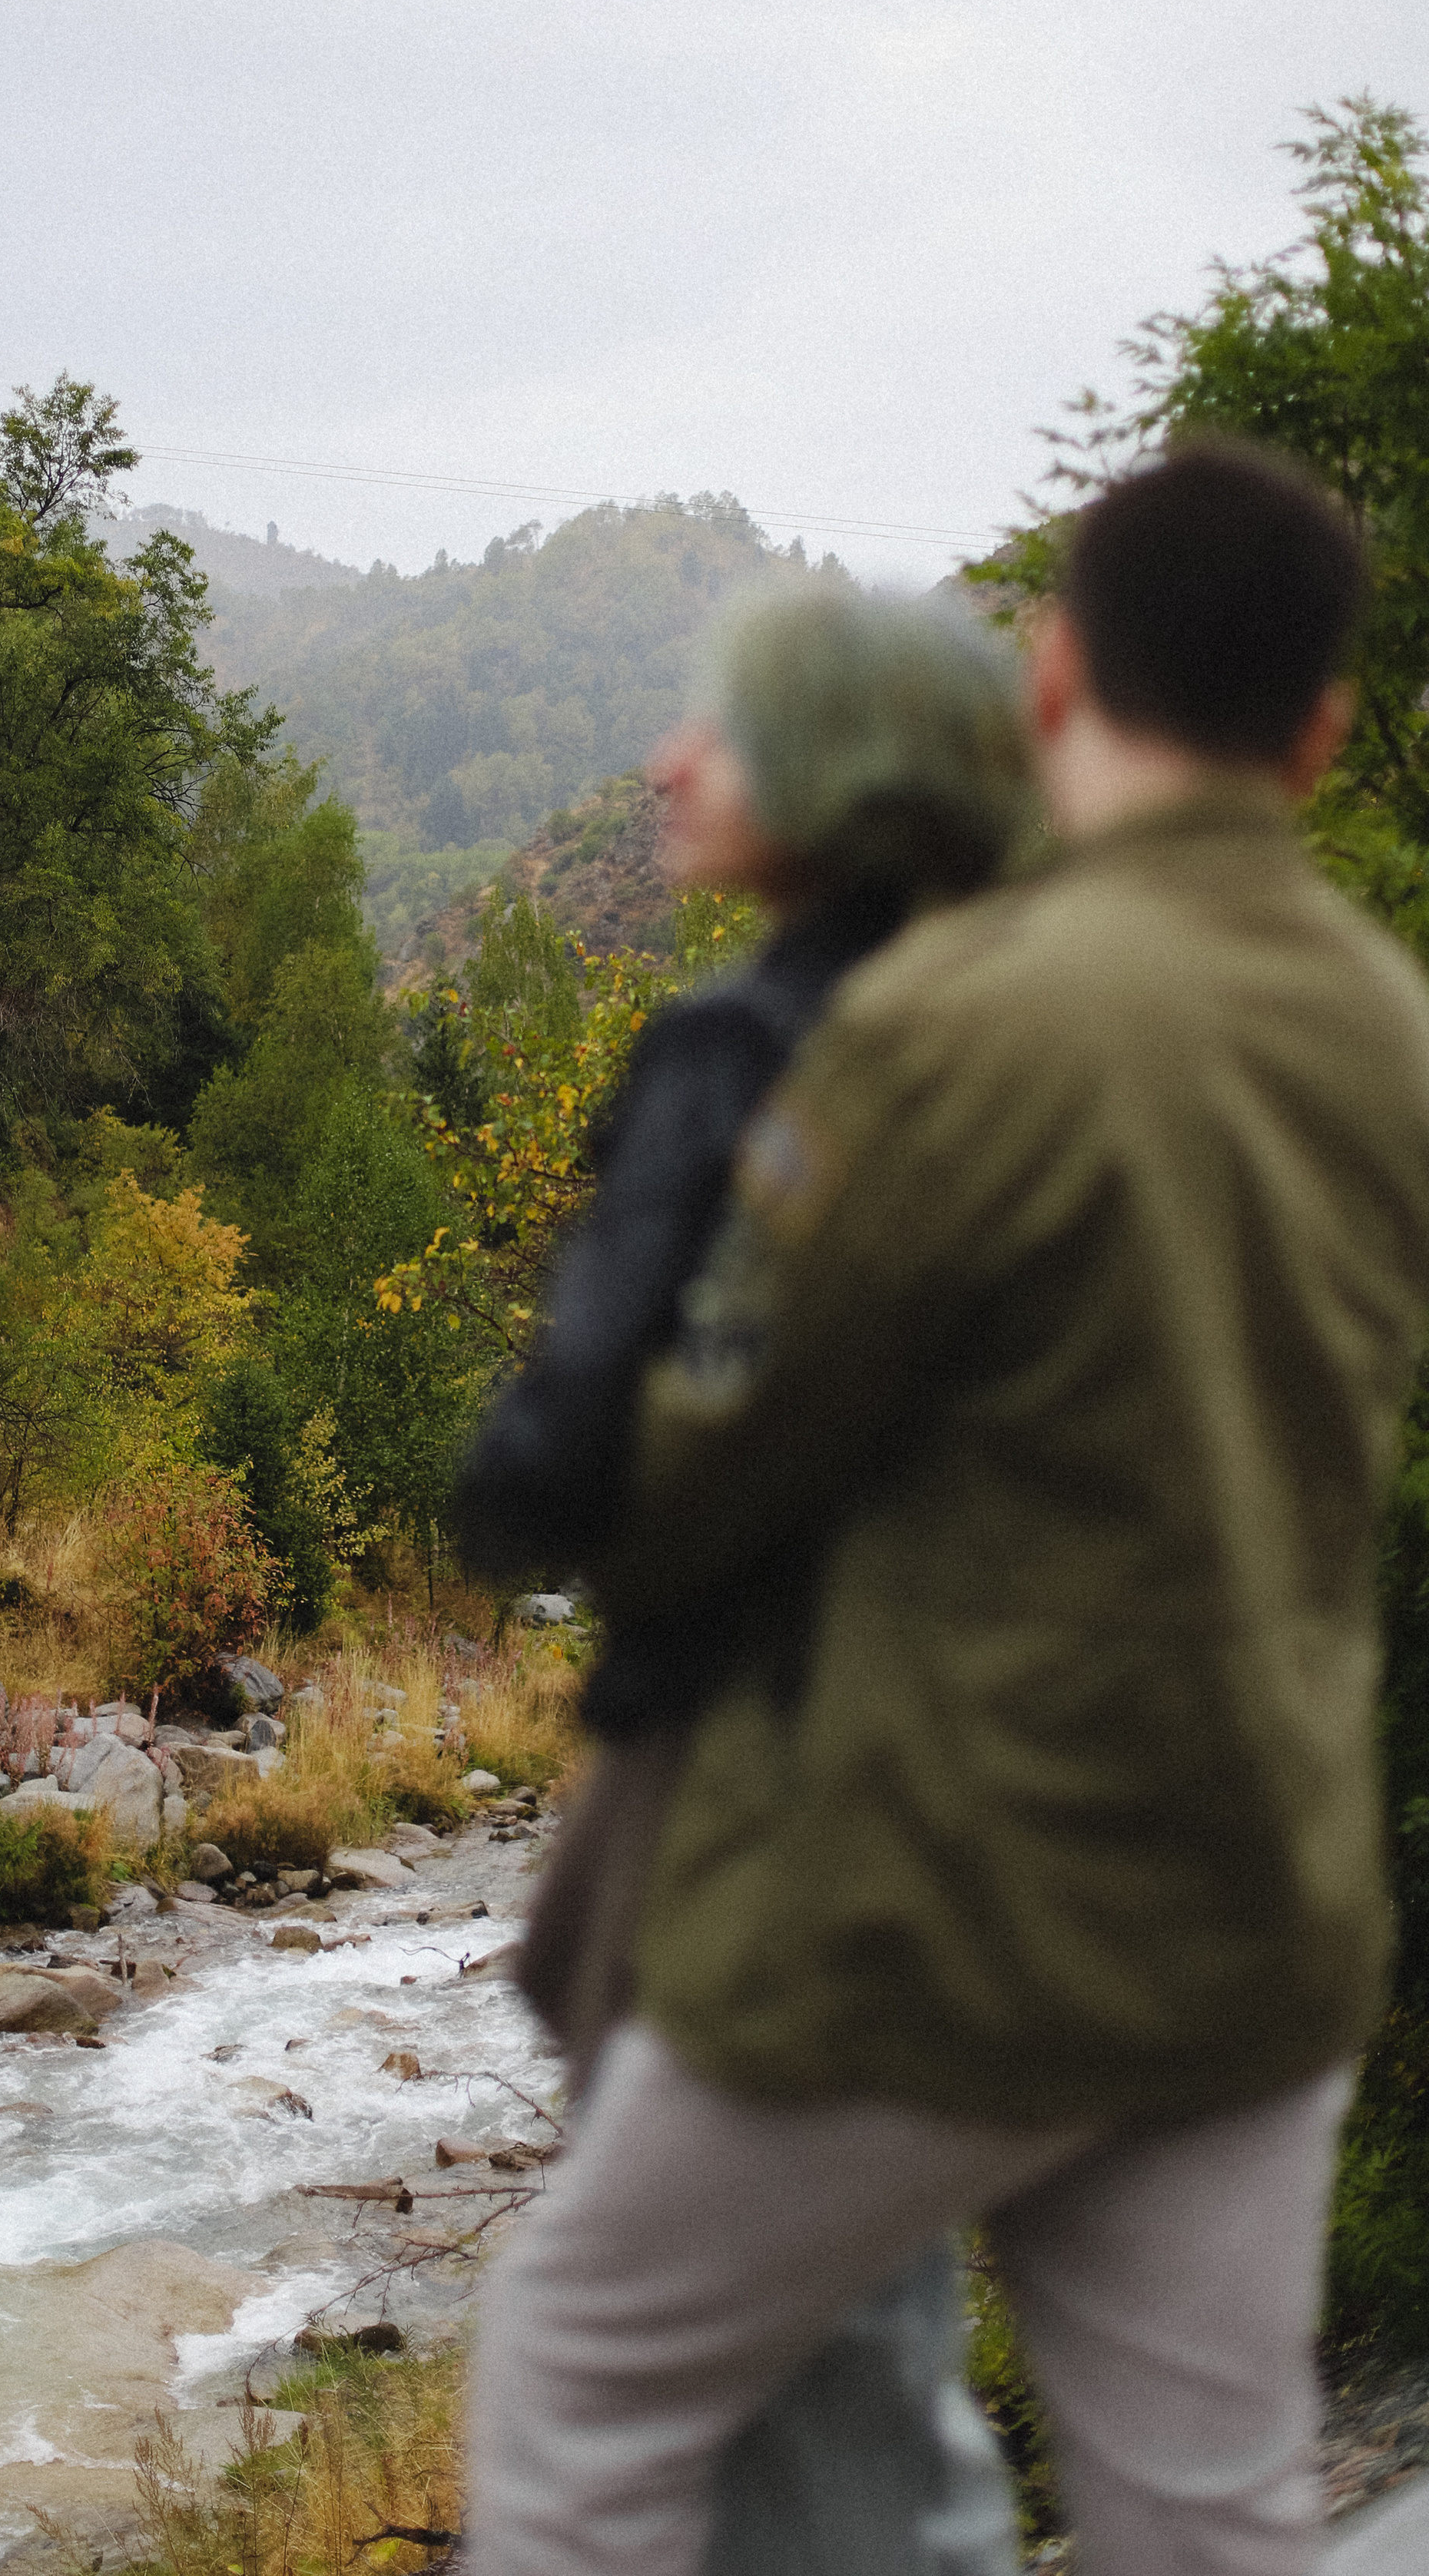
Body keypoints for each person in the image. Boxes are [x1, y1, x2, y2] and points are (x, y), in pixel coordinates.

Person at [466, 438, 1429, 2576]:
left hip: (939, 1913)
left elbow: (710, 1460)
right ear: (1323, 725)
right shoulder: (1393, 1029)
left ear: (1059, 678)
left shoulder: (949, 1023)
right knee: (1217, 2510)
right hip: (1262, 1900)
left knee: (583, 2376)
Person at [457, 581, 1036, 2576]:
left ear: (835, 776)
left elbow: (566, 1447)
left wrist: (495, 1496)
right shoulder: (1019, 1041)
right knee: (865, 2383)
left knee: (585, 2358)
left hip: (755, 1789)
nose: (662, 764)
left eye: (718, 730)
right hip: (1001, 1781)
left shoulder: (735, 1044)